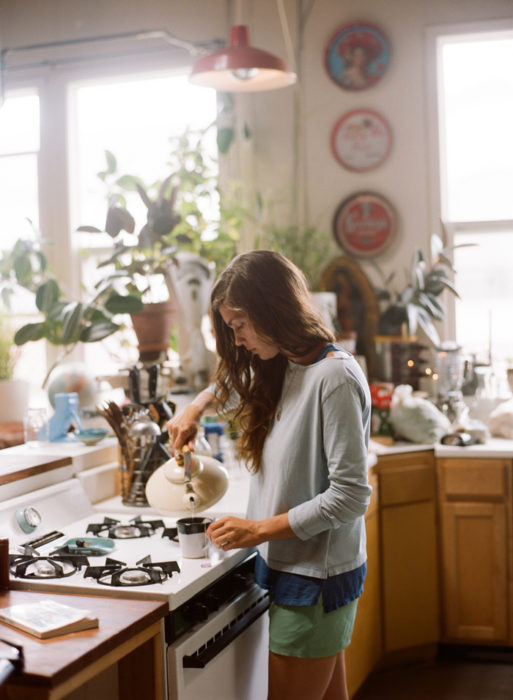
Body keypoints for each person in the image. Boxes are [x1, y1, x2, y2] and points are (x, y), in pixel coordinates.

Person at [167, 250, 372, 700]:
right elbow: (228, 383)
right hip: (295, 567)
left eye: (239, 325)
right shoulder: (287, 364)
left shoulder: (333, 378)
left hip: (315, 576)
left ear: (272, 309)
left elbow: (351, 497)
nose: (237, 340)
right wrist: (195, 407)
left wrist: (258, 529)